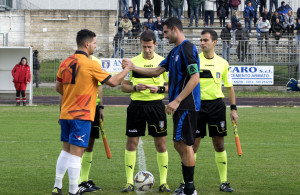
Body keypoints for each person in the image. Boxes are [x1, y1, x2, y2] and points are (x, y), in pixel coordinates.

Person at [122, 17, 201, 195]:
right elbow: (155, 71)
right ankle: (187, 187)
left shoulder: (187, 48)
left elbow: (195, 78)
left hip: (187, 104)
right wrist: (133, 67)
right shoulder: (174, 52)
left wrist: (177, 100)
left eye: (165, 32)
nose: (164, 36)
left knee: (184, 145)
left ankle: (189, 189)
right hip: (179, 105)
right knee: (178, 144)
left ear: (174, 29)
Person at [52, 29, 133, 195]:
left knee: (65, 150)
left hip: (66, 113)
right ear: (87, 44)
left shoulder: (65, 62)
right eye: (95, 43)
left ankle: (57, 186)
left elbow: (58, 88)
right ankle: (73, 191)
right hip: (81, 115)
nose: (95, 46)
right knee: (76, 154)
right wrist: (127, 69)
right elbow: (113, 82)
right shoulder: (90, 64)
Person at [175, 29, 237, 194]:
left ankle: (224, 182)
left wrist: (234, 109)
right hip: (197, 106)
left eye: (205, 40)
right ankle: (186, 183)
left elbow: (229, 87)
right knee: (192, 146)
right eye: (201, 40)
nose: (202, 43)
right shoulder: (195, 61)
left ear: (214, 42)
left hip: (216, 106)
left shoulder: (223, 63)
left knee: (219, 144)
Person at [120, 30, 172, 194]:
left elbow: (172, 88)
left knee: (161, 144)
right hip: (136, 106)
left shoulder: (163, 62)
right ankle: (129, 182)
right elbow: (123, 86)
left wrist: (159, 89)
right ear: (140, 45)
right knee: (131, 143)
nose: (147, 50)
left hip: (156, 106)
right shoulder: (132, 62)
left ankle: (163, 182)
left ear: (155, 44)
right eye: (144, 47)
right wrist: (135, 87)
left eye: (150, 47)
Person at [78, 55, 104, 193]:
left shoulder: (96, 62)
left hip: (94, 109)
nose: (95, 45)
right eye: (94, 43)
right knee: (79, 144)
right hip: (81, 108)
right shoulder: (76, 61)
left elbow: (99, 86)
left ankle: (84, 179)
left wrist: (101, 107)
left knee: (90, 143)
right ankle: (77, 182)